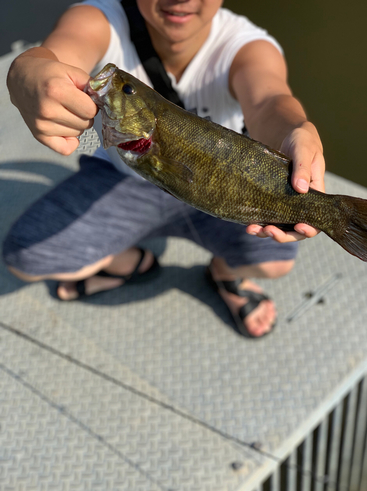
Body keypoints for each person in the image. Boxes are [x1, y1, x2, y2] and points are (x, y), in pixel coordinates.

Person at [3, 0, 325, 338]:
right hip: (122, 180)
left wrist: (294, 129)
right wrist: (25, 72)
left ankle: (225, 273)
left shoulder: (246, 46)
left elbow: (268, 100)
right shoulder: (100, 20)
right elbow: (55, 53)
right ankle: (130, 263)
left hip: (219, 190)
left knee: (277, 258)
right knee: (25, 256)